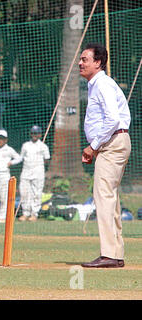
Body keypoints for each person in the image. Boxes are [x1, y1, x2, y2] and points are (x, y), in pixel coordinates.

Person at [79, 43, 131, 268]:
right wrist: (96, 147)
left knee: (104, 197)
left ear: (98, 63)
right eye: (81, 59)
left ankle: (109, 254)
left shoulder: (103, 84)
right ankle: (115, 254)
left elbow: (113, 119)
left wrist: (94, 145)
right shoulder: (95, 85)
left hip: (112, 143)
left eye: (85, 59)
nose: (80, 63)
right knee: (111, 198)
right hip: (110, 145)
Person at [18, 125, 50, 222]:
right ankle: (25, 213)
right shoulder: (25, 145)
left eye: (36, 133)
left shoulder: (43, 146)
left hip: (38, 172)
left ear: (40, 134)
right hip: (26, 172)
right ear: (30, 134)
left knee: (37, 193)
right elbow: (21, 157)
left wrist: (38, 166)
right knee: (24, 192)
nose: (34, 135)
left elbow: (47, 159)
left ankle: (34, 214)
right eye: (33, 133)